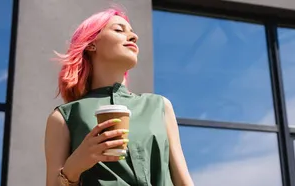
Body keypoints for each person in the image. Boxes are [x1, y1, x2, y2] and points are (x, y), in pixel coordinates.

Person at [44, 7, 194, 186]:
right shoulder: (64, 117)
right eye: (118, 30)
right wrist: (75, 165)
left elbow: (183, 180)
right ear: (91, 44)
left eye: (132, 32)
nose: (133, 37)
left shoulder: (159, 106)